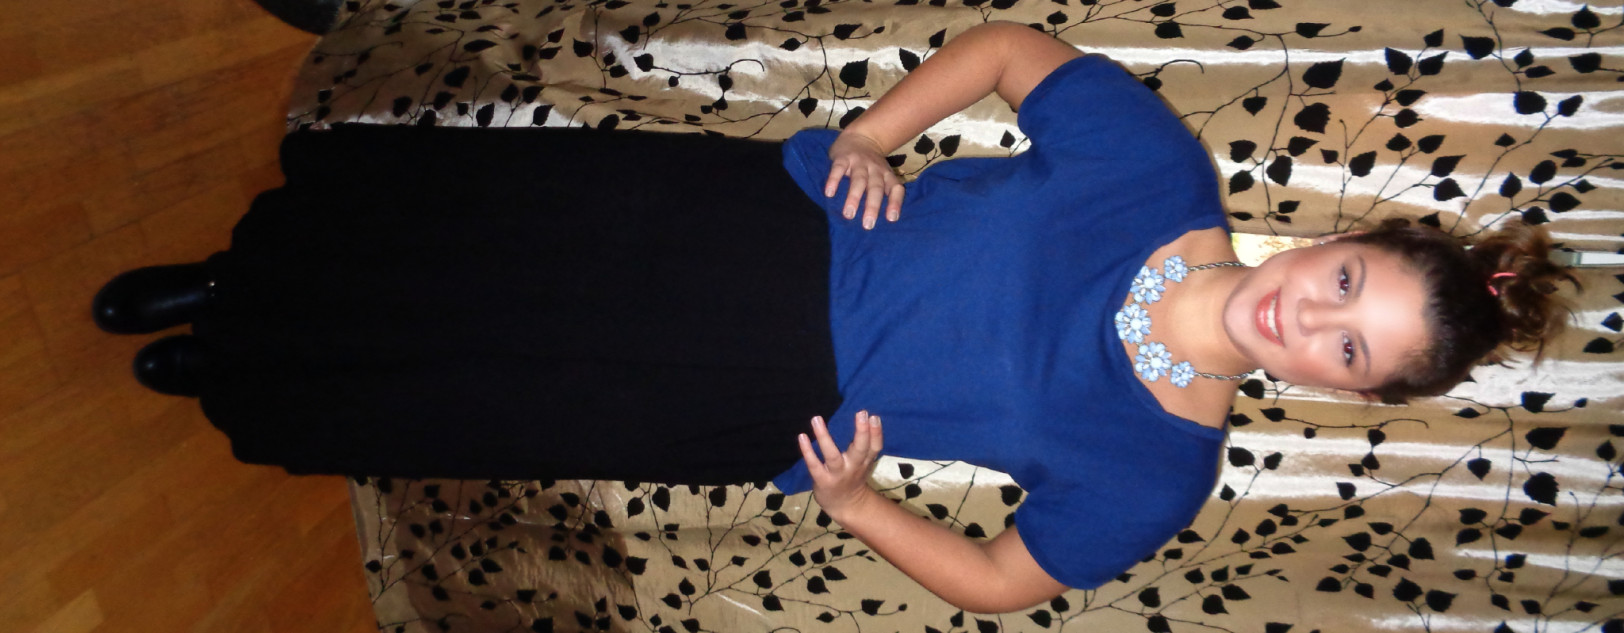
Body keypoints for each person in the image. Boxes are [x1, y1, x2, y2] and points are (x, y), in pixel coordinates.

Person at [90, 23, 1574, 613]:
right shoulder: (1157, 171)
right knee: (486, 244)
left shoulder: (1159, 470)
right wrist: (873, 133)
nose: (1308, 316)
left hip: (760, 397)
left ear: (1341, 393)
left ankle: (243, 363)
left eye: (1347, 348)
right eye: (1345, 284)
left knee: (494, 380)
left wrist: (862, 508)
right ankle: (232, 275)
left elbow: (1000, 584)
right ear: (1336, 239)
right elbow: (1011, 49)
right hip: (758, 229)